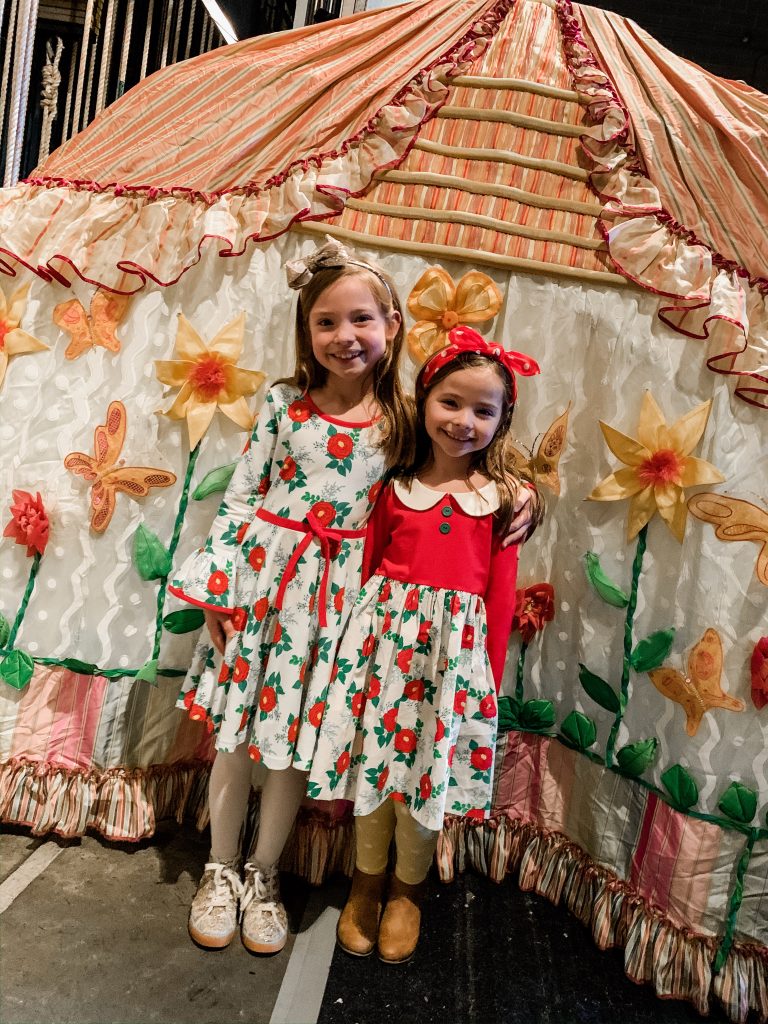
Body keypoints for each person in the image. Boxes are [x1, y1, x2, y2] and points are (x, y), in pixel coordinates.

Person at [170, 240, 537, 956]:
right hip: (265, 590)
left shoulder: (407, 418)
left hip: (339, 609)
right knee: (237, 740)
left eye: (361, 319)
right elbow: (243, 496)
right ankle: (220, 871)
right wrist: (223, 586)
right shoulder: (282, 404)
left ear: (394, 324)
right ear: (306, 334)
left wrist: (527, 497)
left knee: (291, 748)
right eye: (326, 323)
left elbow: (463, 473)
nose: (345, 337)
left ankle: (264, 874)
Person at [307, 325, 542, 963]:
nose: (464, 421)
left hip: (449, 667)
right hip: (381, 657)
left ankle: (407, 890)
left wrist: (484, 681)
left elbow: (499, 595)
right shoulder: (395, 487)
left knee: (424, 779)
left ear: (502, 420)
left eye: (483, 410)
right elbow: (364, 572)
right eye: (451, 403)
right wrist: (346, 657)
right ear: (424, 400)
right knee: (374, 770)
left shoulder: (502, 503)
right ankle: (365, 880)